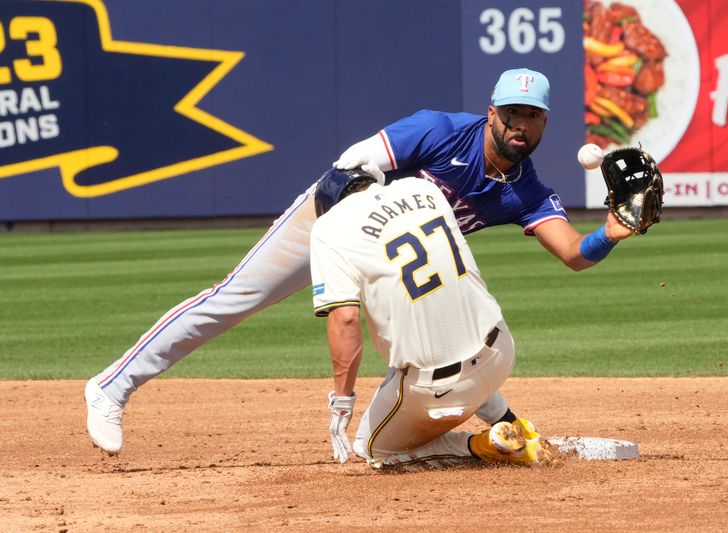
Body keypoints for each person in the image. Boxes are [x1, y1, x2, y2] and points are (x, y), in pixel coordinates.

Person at [84, 67, 634, 455]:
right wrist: (356, 217)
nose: (520, 124)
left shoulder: (526, 193)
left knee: (444, 321)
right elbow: (351, 166)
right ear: (491, 113)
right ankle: (112, 388)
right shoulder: (441, 131)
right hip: (333, 222)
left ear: (544, 124)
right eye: (511, 112)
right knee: (233, 300)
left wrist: (612, 232)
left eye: (532, 116)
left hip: (391, 265)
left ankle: (496, 420)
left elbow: (573, 253)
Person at [311, 167, 548, 468]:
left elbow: (345, 318)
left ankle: (482, 445)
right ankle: (511, 422)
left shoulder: (330, 227)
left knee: (372, 450)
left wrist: (342, 405)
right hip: (501, 353)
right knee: (450, 327)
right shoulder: (423, 189)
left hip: (436, 391)